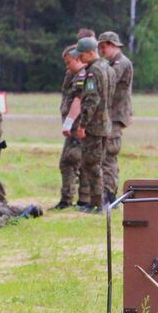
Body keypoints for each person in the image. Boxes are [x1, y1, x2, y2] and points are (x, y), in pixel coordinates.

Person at [69, 37, 113, 213]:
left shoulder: (93, 71)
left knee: (92, 165)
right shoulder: (107, 68)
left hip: (94, 126)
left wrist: (82, 125)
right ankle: (97, 202)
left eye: (81, 55)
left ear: (90, 53)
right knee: (97, 164)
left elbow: (91, 100)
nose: (79, 58)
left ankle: (97, 204)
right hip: (105, 123)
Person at [98, 31, 132, 205]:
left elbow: (108, 81)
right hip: (109, 115)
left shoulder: (121, 63)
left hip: (114, 116)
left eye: (103, 47)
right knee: (104, 155)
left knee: (109, 155)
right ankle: (105, 192)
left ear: (112, 45)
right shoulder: (110, 63)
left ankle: (109, 194)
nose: (101, 50)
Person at [53, 45, 85, 210]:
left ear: (78, 59)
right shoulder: (79, 74)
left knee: (71, 162)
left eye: (68, 63)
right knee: (76, 162)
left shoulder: (82, 76)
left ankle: (74, 200)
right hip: (77, 127)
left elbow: (78, 101)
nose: (67, 66)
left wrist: (70, 122)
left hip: (78, 127)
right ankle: (79, 200)